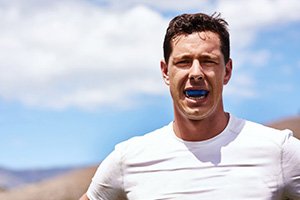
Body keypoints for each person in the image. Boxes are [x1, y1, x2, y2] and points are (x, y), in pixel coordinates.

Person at [80, 12, 300, 200]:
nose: (196, 73)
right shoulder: (127, 159)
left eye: (208, 61)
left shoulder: (278, 150)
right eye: (184, 62)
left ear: (227, 71)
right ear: (166, 71)